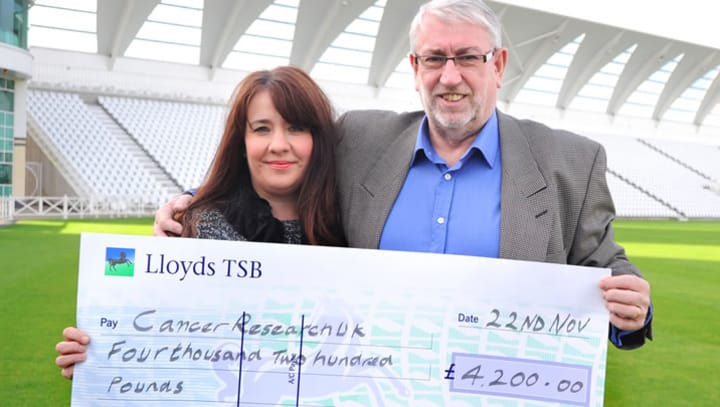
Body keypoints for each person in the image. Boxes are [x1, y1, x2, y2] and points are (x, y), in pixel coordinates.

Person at [155, 0, 652, 350]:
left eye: (468, 58)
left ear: (498, 65)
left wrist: (634, 311)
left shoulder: (570, 161)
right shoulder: (361, 138)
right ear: (415, 67)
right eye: (435, 58)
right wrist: (190, 206)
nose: (450, 75)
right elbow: (277, 165)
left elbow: (604, 265)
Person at [55, 66, 346, 379]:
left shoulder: (350, 227)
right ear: (241, 141)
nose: (278, 144)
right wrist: (96, 355)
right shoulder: (196, 226)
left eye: (296, 128)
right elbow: (152, 329)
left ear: (319, 137)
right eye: (262, 129)